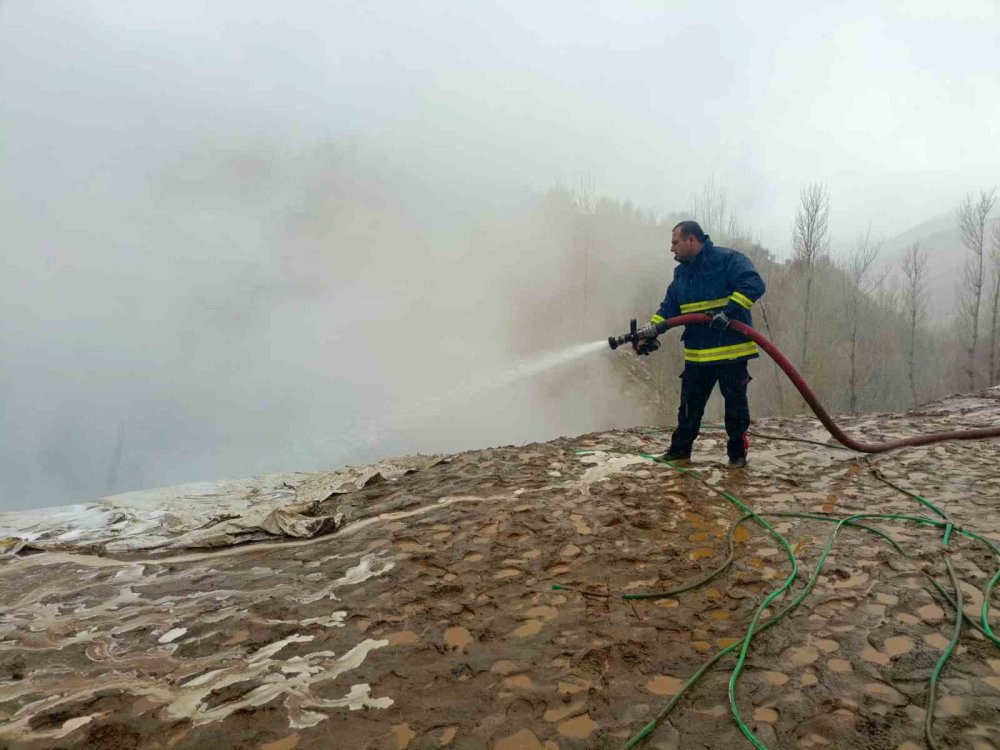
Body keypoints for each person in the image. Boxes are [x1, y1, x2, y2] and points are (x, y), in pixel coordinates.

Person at [635, 221, 766, 467]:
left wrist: (728, 312)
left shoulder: (727, 260)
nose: (671, 249)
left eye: (675, 242)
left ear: (692, 240)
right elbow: (670, 307)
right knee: (688, 408)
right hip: (697, 355)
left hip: (731, 352)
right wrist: (652, 328)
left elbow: (754, 284)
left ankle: (737, 456)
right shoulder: (682, 273)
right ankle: (679, 451)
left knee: (735, 408)